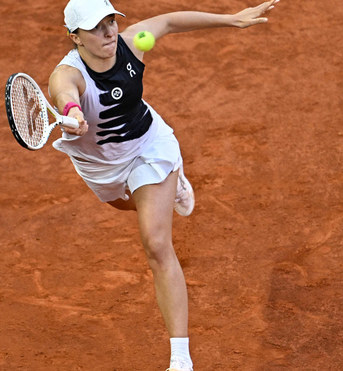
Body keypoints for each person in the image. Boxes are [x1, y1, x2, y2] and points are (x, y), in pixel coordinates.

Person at [48, 0, 279, 370]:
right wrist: (72, 113)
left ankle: (180, 359)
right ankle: (173, 186)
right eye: (95, 27)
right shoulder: (67, 74)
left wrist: (231, 20)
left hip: (147, 146)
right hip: (99, 164)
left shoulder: (133, 41)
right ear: (75, 37)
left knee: (156, 243)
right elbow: (65, 94)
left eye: (110, 21)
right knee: (127, 205)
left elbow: (169, 22)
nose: (108, 32)